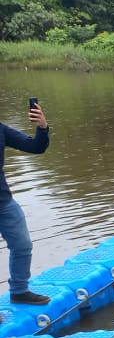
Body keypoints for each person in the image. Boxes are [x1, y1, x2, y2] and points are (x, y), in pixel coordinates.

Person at [1, 99, 51, 305]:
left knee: (22, 245)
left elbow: (35, 147)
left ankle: (19, 291)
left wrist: (42, 126)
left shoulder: (1, 130)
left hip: (3, 201)